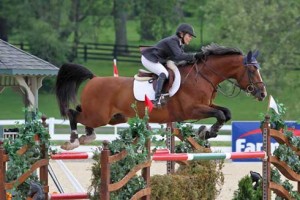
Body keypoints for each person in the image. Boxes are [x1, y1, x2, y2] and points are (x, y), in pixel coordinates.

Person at [141, 23, 202, 107]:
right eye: (189, 36)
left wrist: (194, 58)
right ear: (181, 34)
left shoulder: (180, 44)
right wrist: (195, 55)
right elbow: (179, 56)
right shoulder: (173, 40)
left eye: (191, 37)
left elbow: (180, 57)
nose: (190, 38)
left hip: (158, 59)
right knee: (164, 73)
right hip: (149, 59)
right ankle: (156, 100)